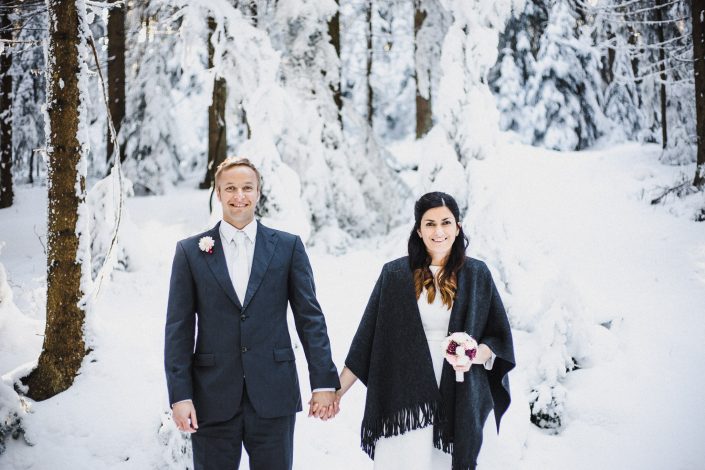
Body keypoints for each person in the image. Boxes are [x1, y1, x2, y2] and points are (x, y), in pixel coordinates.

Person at [164, 157, 340, 470]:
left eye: (247, 187)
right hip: (211, 397)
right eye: (230, 188)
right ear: (217, 193)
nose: (239, 195)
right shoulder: (190, 252)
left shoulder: (287, 247)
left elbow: (310, 318)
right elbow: (178, 329)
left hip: (274, 394)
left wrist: (324, 383)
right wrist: (180, 395)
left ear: (258, 193)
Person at [337, 191, 515, 470]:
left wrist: (473, 354)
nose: (438, 231)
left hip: (461, 393)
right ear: (419, 230)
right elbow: (366, 341)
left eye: (446, 222)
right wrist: (335, 393)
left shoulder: (478, 274)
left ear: (458, 227)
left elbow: (498, 337)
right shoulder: (394, 275)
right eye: (429, 223)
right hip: (405, 399)